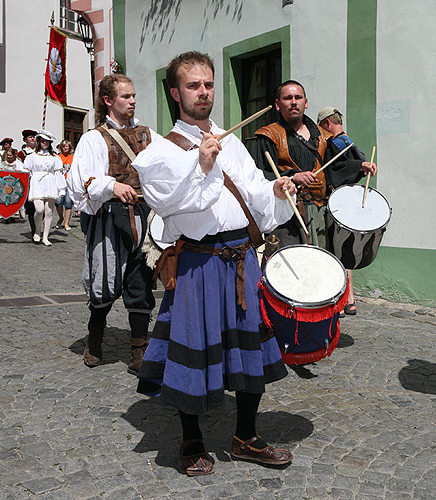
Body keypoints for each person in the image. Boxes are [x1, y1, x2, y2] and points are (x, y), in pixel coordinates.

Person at [133, 51, 296, 476]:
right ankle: (191, 439)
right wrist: (202, 165)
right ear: (175, 92)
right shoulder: (159, 154)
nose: (203, 92)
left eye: (208, 84)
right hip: (199, 263)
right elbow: (168, 206)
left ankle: (246, 436)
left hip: (242, 258)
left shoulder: (233, 141)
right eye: (193, 85)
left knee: (249, 351)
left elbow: (255, 193)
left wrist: (277, 190)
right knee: (193, 350)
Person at [67, 74, 157, 374]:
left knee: (141, 280)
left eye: (133, 96)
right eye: (125, 96)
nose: (132, 101)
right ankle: (95, 336)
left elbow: (165, 169)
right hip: (109, 217)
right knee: (104, 281)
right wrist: (111, 187)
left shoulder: (148, 135)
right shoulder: (94, 138)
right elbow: (81, 180)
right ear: (109, 100)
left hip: (143, 215)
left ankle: (138, 350)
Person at [254, 81, 376, 249]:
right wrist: (292, 176)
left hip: (319, 213)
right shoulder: (268, 135)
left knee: (320, 265)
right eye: (288, 98)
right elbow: (260, 175)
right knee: (290, 266)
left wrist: (359, 166)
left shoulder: (324, 136)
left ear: (306, 102)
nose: (294, 102)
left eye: (298, 97)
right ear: (277, 104)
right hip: (286, 215)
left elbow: (335, 167)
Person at [317, 106, 367, 316]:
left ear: (327, 122)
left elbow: (337, 169)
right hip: (351, 200)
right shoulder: (349, 141)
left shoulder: (335, 142)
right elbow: (355, 166)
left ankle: (339, 300)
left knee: (335, 250)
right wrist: (361, 165)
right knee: (344, 248)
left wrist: (358, 166)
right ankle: (350, 299)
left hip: (337, 200)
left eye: (322, 127)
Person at [25, 130, 64, 246]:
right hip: (37, 183)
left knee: (48, 211)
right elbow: (26, 171)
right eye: (42, 141)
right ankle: (37, 231)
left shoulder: (54, 157)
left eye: (46, 141)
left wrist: (61, 188)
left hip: (50, 183)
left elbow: (58, 173)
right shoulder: (32, 156)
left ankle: (45, 236)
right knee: (39, 209)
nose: (44, 143)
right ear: (38, 142)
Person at [18, 129, 38, 236]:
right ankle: (34, 230)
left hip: (40, 181)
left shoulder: (40, 152)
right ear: (26, 140)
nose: (33, 139)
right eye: (30, 137)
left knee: (41, 209)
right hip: (29, 181)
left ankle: (38, 226)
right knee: (31, 207)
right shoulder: (22, 154)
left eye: (34, 137)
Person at [54, 139, 74, 230]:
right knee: (58, 202)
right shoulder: (57, 157)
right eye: (63, 146)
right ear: (61, 148)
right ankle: (61, 217)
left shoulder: (73, 157)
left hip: (69, 183)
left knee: (68, 203)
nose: (65, 148)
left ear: (70, 148)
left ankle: (66, 223)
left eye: (67, 146)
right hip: (59, 182)